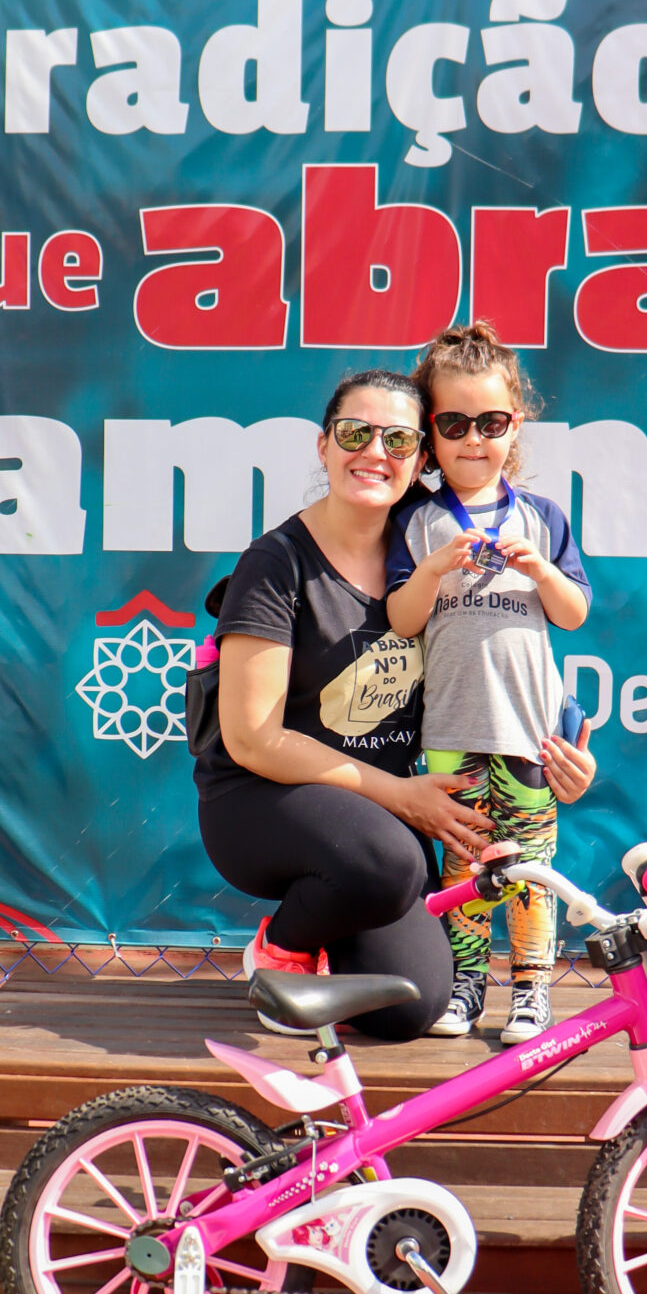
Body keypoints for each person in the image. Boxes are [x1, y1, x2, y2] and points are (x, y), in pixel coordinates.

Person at [194, 369, 484, 1041]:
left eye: (397, 440)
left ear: (420, 459)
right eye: (355, 433)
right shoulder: (275, 562)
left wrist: (557, 751)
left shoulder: (433, 555)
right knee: (389, 862)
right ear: (323, 446)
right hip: (259, 798)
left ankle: (332, 925)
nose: (374, 452)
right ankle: (281, 950)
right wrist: (399, 796)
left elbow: (498, 660)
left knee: (409, 1008)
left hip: (374, 820)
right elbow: (252, 739)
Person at [386, 320, 597, 1042]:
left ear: (516, 425)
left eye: (491, 423)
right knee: (465, 867)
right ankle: (466, 984)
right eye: (453, 424)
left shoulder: (542, 518)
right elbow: (401, 618)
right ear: (430, 432)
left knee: (530, 868)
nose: (473, 439)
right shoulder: (417, 522)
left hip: (529, 732)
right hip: (450, 728)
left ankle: (531, 991)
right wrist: (433, 570)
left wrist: (539, 569)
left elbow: (573, 613)